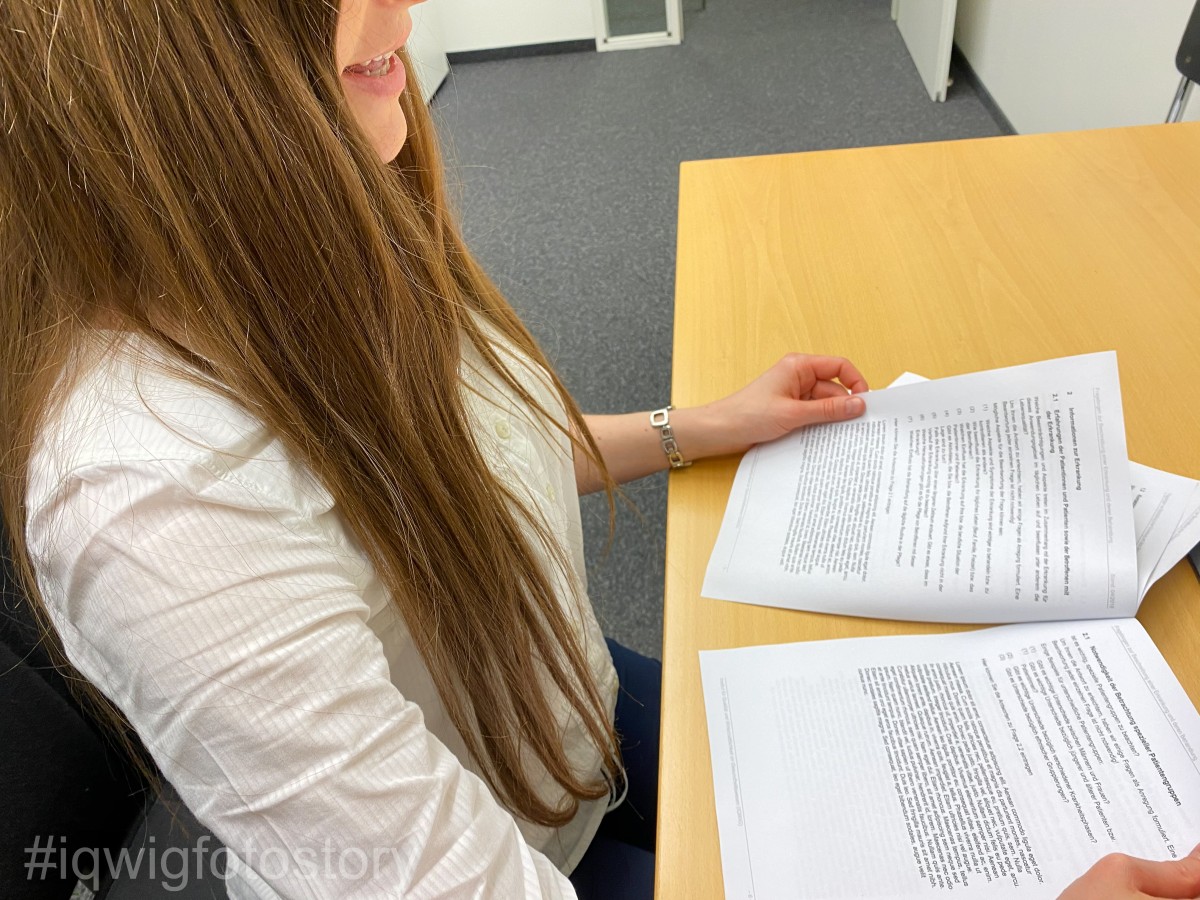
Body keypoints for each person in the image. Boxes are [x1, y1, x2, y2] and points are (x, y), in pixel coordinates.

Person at [0, 2, 1193, 898]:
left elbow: (469, 458)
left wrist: (707, 425)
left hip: (566, 697)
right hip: (512, 847)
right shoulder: (152, 497)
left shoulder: (295, 227)